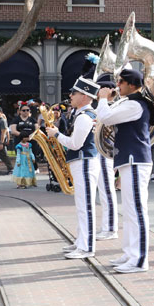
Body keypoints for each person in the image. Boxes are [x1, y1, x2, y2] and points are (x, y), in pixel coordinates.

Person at [96, 68, 154, 274]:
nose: (117, 86)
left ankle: (140, 259)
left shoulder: (135, 104)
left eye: (120, 82)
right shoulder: (129, 102)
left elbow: (106, 117)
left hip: (136, 160)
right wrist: (109, 100)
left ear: (131, 85)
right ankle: (130, 253)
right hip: (130, 160)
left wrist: (103, 98)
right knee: (130, 211)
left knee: (137, 211)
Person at [47, 73, 102, 259]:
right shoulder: (84, 114)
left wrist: (56, 134)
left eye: (74, 93)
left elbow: (75, 143)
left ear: (85, 96)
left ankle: (87, 247)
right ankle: (81, 241)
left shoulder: (85, 116)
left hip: (85, 162)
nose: (70, 96)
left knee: (85, 206)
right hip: (83, 162)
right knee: (82, 205)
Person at [93, 72, 119, 240]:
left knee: (106, 190)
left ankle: (110, 228)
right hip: (99, 151)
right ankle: (107, 226)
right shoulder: (102, 106)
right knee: (103, 191)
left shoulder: (112, 106)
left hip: (105, 152)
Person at [0, 106, 14, 175]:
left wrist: (1, 143)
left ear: (1, 112)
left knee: (4, 155)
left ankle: (10, 169)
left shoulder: (2, 121)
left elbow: (3, 132)